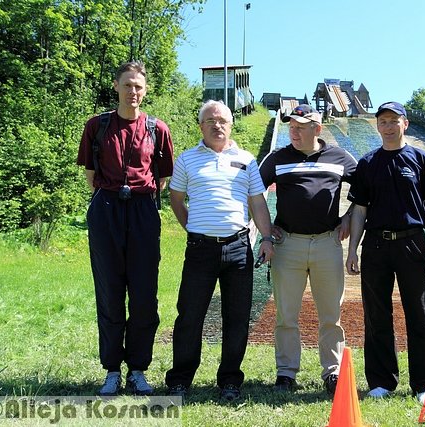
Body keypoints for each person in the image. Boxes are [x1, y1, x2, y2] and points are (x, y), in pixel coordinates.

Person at [165, 100, 274, 402]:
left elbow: (257, 203)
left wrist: (266, 238)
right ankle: (180, 380)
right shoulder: (187, 160)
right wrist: (195, 228)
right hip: (200, 250)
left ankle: (229, 380)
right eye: (210, 120)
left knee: (237, 318)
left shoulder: (247, 160)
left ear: (231, 124)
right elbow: (176, 200)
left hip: (239, 248)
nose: (217, 125)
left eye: (223, 120)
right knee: (189, 315)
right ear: (200, 126)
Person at [77, 60, 174, 396]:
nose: (133, 91)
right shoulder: (97, 126)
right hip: (106, 210)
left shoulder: (157, 129)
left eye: (139, 86)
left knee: (145, 295)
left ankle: (138, 370)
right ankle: (111, 371)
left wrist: (136, 199)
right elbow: (91, 177)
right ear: (116, 86)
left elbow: (162, 179)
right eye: (127, 84)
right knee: (110, 292)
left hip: (144, 211)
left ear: (145, 91)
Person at [345, 101, 425, 404]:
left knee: (420, 315)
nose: (388, 126)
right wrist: (352, 250)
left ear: (405, 124)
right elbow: (359, 211)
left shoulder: (421, 160)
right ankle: (381, 382)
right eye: (383, 121)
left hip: (412, 243)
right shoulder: (367, 163)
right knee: (376, 315)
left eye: (393, 120)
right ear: (377, 126)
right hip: (375, 245)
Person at [259, 104, 357, 397]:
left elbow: (367, 188)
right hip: (288, 244)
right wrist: (266, 232)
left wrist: (350, 217)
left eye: (301, 127)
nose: (294, 131)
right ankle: (286, 373)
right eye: (291, 126)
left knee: (330, 314)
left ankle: (333, 372)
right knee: (286, 314)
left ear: (317, 128)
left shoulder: (340, 157)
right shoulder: (277, 158)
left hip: (328, 243)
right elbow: (254, 192)